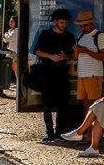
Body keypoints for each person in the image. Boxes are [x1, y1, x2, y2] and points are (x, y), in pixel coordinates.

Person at [32, 7, 76, 141]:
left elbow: (72, 56)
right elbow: (36, 51)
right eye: (62, 22)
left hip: (62, 72)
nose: (64, 25)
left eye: (66, 22)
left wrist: (65, 57)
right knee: (47, 102)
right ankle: (49, 131)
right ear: (55, 21)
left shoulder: (69, 36)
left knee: (63, 102)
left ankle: (59, 131)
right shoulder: (45, 34)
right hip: (47, 72)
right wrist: (50, 56)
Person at [73, 9, 104, 106]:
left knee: (93, 103)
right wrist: (77, 51)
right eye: (81, 26)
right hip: (82, 74)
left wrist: (86, 51)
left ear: (91, 23)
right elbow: (76, 58)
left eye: (85, 25)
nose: (83, 28)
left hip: (93, 74)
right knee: (85, 102)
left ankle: (91, 121)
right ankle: (87, 121)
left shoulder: (99, 36)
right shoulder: (80, 36)